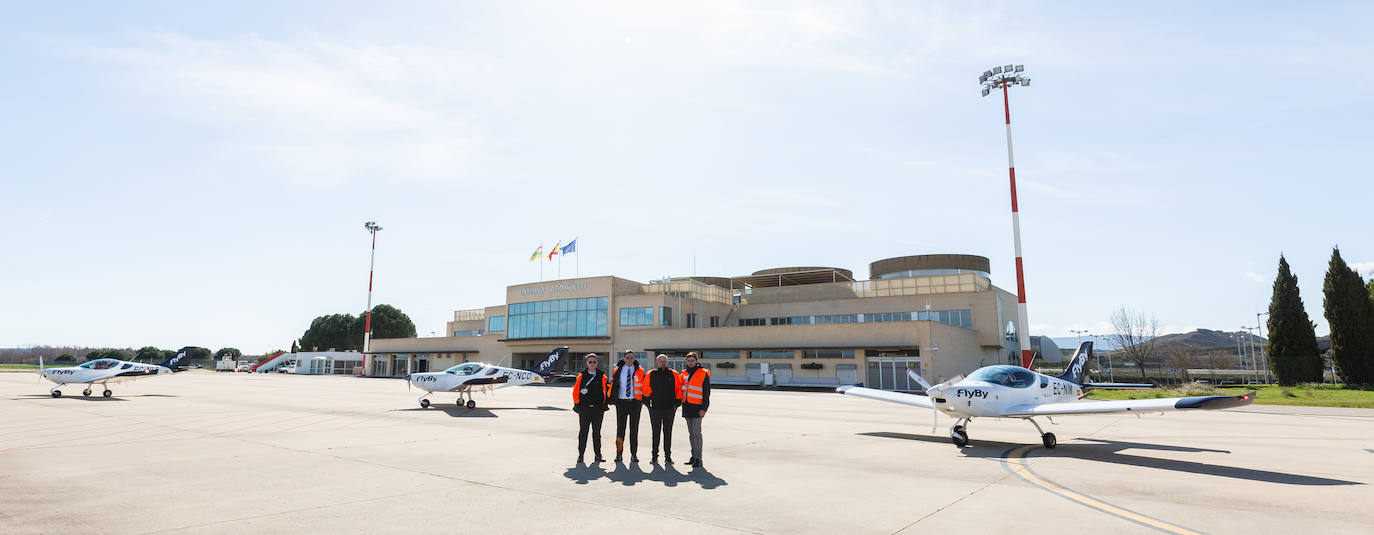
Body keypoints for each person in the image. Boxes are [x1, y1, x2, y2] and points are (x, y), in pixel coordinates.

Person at [642, 353, 684, 464]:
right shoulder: (651, 374)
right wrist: (648, 405)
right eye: (660, 361)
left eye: (664, 360)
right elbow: (645, 390)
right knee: (655, 433)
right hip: (655, 409)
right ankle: (654, 456)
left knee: (668, 432)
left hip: (669, 409)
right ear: (657, 363)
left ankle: (668, 457)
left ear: (667, 362)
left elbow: (679, 390)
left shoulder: (674, 374)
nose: (663, 362)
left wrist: (677, 404)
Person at [607, 350, 646, 462]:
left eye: (632, 358)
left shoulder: (640, 370)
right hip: (621, 403)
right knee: (620, 430)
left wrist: (643, 400)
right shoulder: (618, 370)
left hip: (635, 403)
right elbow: (614, 385)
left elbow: (644, 386)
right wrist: (612, 400)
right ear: (624, 359)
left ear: (634, 359)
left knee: (634, 430)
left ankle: (634, 455)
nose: (630, 360)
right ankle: (619, 454)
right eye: (627, 358)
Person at [572, 353, 610, 464]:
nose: (592, 364)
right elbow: (575, 392)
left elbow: (606, 392)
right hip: (584, 409)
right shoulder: (581, 376)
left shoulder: (602, 376)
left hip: (598, 410)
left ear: (597, 363)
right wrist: (577, 405)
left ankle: (598, 455)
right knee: (583, 432)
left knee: (597, 433)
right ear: (587, 363)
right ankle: (581, 455)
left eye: (594, 362)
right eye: (590, 362)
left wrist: (604, 405)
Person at [680, 351, 710, 468]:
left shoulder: (703, 373)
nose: (690, 362)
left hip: (698, 408)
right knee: (691, 434)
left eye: (692, 361)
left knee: (697, 434)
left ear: (696, 361)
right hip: (687, 407)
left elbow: (707, 393)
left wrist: (704, 408)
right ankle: (693, 456)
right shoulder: (684, 373)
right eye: (688, 361)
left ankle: (699, 458)